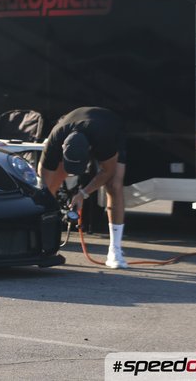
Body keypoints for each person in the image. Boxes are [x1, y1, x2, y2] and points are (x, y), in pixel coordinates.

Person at [38, 107, 128, 269]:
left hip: (109, 125)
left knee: (114, 185)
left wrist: (82, 194)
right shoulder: (55, 140)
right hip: (72, 124)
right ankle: (43, 243)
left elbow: (107, 171)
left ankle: (115, 250)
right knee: (47, 189)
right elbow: (42, 183)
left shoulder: (103, 139)